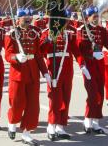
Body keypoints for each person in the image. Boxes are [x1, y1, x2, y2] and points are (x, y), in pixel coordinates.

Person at [5, 8, 51, 146]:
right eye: (24, 18)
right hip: (18, 72)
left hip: (32, 72)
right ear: (18, 19)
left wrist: (45, 72)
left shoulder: (35, 33)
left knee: (33, 105)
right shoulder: (11, 34)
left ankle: (27, 132)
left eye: (29, 18)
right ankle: (12, 123)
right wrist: (16, 57)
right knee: (17, 103)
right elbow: (7, 55)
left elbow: (37, 55)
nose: (27, 20)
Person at [77, 6, 108, 134]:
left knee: (100, 93)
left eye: (98, 16)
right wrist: (88, 59)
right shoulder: (82, 30)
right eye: (94, 16)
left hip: (100, 64)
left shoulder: (102, 30)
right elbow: (79, 50)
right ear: (88, 18)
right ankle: (87, 119)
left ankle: (96, 121)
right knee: (92, 94)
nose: (97, 18)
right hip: (89, 65)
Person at [40, 10, 85, 141]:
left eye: (65, 20)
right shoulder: (46, 32)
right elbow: (41, 51)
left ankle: (60, 125)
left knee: (65, 98)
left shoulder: (70, 34)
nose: (64, 22)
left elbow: (77, 51)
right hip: (54, 69)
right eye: (61, 20)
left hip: (67, 69)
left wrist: (82, 64)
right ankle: (51, 125)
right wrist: (49, 40)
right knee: (54, 99)